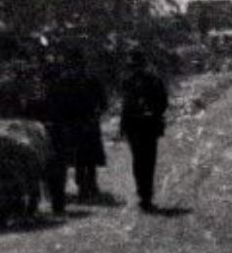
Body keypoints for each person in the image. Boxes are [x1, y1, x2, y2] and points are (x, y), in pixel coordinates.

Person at [42, 46, 107, 205]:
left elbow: (102, 102)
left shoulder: (67, 80)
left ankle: (86, 184)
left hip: (77, 122)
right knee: (84, 154)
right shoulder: (85, 79)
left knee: (82, 155)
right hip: (79, 121)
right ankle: (87, 184)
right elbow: (103, 102)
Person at [119, 49, 173, 211]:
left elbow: (162, 102)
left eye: (137, 65)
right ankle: (144, 193)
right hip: (138, 125)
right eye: (133, 66)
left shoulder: (151, 81)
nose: (136, 69)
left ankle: (145, 194)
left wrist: (153, 111)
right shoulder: (130, 82)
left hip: (145, 125)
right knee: (142, 161)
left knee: (145, 160)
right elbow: (125, 105)